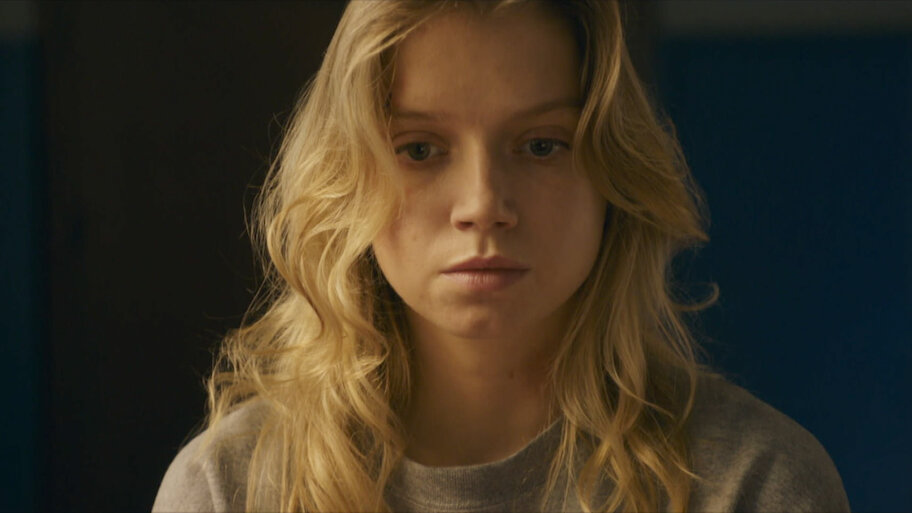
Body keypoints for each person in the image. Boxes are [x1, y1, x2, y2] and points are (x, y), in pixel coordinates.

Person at [153, 1, 850, 511]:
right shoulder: (230, 489)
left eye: (541, 145)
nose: (483, 203)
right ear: (348, 178)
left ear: (613, 174)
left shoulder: (753, 484)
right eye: (420, 149)